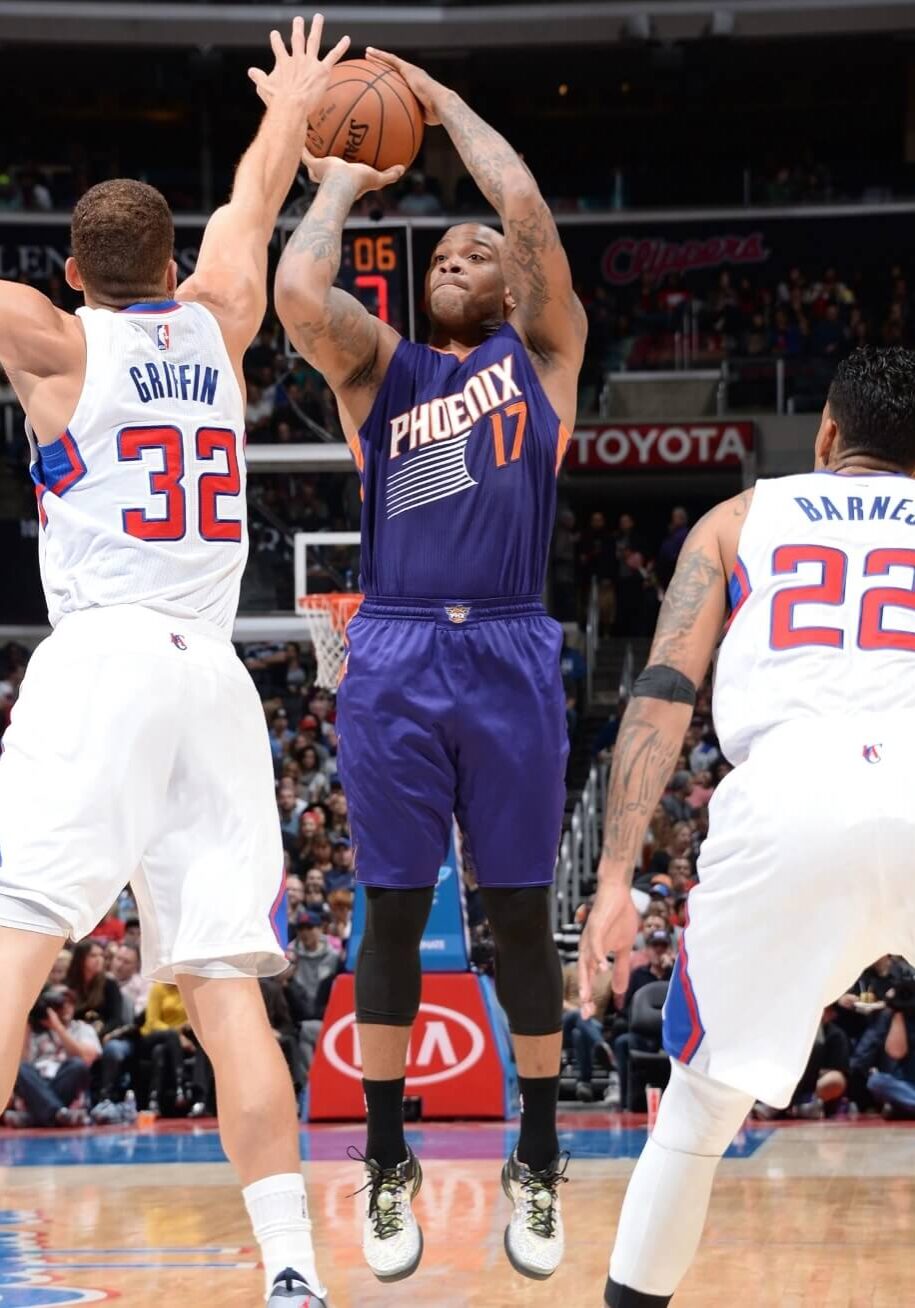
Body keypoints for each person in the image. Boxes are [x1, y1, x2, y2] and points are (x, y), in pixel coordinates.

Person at [0, 17, 352, 1307]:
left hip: (99, 661)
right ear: (167, 261)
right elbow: (257, 195)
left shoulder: (50, 342)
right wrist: (295, 102)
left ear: (73, 275)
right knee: (226, 996)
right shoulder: (221, 318)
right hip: (216, 680)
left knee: (14, 950)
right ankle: (294, 1273)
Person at [271, 40, 587, 1284]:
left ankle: (542, 1153)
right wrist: (342, 177)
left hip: (508, 637)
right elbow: (300, 295)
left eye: (477, 254)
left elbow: (525, 211)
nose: (456, 256)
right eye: (440, 253)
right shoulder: (382, 369)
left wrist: (445, 108)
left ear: (517, 288)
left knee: (519, 916)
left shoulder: (546, 356)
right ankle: (388, 1155)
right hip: (396, 642)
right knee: (390, 911)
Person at [578, 345, 915, 1307]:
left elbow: (663, 690)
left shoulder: (739, 518)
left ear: (826, 435)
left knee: (698, 1111)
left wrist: (612, 880)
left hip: (789, 796)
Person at [8, 986, 100, 1128]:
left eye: (70, 1002)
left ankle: (35, 1117)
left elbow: (87, 1058)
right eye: (61, 1004)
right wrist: (26, 1025)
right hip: (37, 1081)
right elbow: (21, 1061)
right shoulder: (34, 1031)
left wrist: (57, 1027)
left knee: (77, 1065)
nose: (66, 1007)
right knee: (20, 1068)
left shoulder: (83, 1028)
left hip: (65, 1081)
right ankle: (59, 1114)